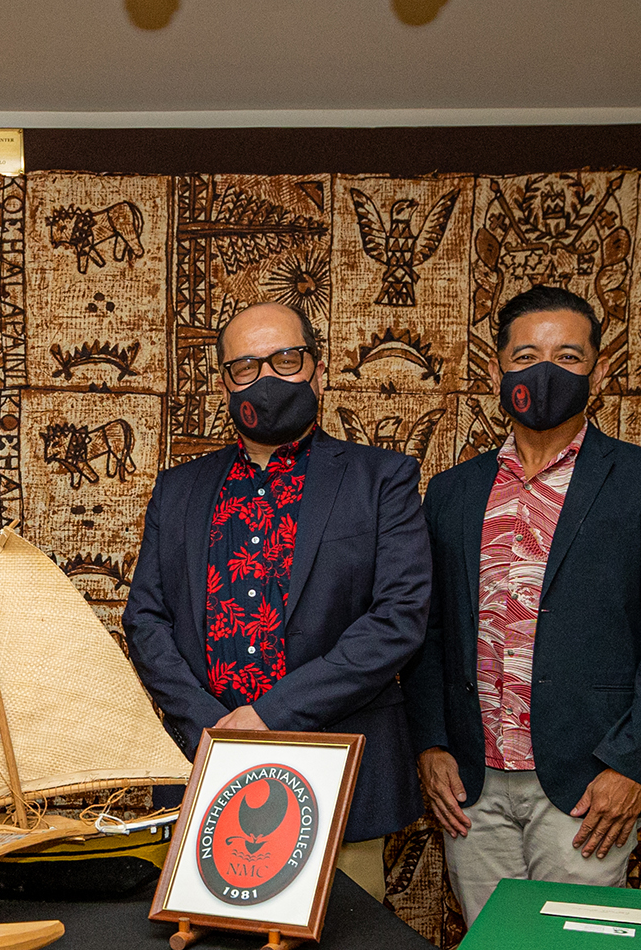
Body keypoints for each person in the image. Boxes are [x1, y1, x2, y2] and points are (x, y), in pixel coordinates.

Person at [408, 285, 641, 922]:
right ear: (497, 370)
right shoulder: (452, 491)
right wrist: (432, 744)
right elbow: (430, 631)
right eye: (526, 355)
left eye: (568, 357)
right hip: (471, 786)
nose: (545, 372)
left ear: (597, 372)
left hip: (587, 786)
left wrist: (632, 765)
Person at [124, 301, 430, 897]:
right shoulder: (179, 488)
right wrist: (212, 724)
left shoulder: (381, 479)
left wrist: (268, 717)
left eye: (285, 359)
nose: (267, 378)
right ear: (224, 384)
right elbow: (146, 618)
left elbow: (397, 620)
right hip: (203, 768)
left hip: (340, 776)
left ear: (317, 369)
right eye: (246, 366)